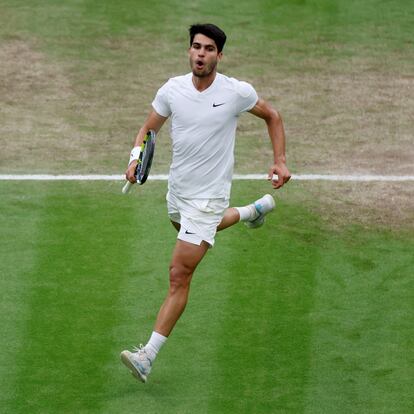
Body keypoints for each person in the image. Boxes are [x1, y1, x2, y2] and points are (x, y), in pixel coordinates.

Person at [120, 23, 291, 383]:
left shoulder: (236, 92)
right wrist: (135, 157)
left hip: (210, 195)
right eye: (196, 47)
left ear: (219, 55)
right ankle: (252, 211)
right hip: (178, 193)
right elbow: (149, 129)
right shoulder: (173, 89)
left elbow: (272, 115)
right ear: (189, 51)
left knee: (179, 274)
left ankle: (148, 355)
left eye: (209, 49)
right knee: (191, 232)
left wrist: (280, 160)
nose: (201, 53)